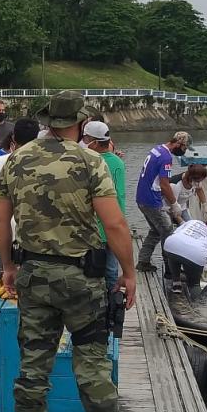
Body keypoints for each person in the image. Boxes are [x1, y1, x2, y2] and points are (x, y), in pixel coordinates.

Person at [0, 91, 135, 412]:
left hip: (34, 275)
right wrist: (129, 273)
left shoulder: (16, 159)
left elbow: (0, 220)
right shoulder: (91, 162)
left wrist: (8, 267)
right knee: (91, 363)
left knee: (33, 364)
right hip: (80, 280)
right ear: (81, 122)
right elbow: (114, 223)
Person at [135, 131, 193, 273]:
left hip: (141, 197)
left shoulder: (157, 149)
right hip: (151, 199)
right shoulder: (166, 157)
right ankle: (170, 266)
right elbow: (164, 183)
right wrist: (174, 204)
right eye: (184, 148)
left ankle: (143, 260)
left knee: (156, 230)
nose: (184, 151)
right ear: (178, 144)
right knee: (167, 229)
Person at [81, 121, 127, 292]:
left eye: (86, 138)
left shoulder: (91, 162)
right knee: (112, 267)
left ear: (93, 140)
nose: (84, 141)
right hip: (115, 220)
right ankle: (112, 302)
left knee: (90, 266)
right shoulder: (118, 162)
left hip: (95, 224)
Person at [0, 118, 40, 251]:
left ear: (14, 138)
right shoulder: (42, 163)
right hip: (30, 232)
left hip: (1, 230)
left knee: (2, 270)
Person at [163, 219, 207, 297]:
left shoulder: (194, 222)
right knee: (194, 285)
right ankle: (199, 306)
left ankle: (176, 283)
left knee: (174, 253)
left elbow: (176, 233)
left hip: (170, 244)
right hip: (196, 255)